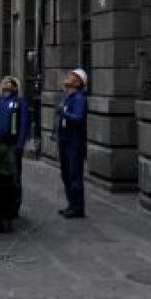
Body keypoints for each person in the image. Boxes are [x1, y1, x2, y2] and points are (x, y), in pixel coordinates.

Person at [0, 76, 29, 215]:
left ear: (15, 88)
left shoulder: (19, 103)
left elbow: (23, 125)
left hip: (12, 144)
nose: (6, 88)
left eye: (10, 86)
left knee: (14, 175)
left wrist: (20, 144)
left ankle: (13, 207)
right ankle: (0, 204)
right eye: (4, 86)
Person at [55, 68, 88, 219]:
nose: (68, 77)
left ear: (78, 81)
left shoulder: (79, 98)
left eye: (72, 76)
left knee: (75, 175)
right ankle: (71, 204)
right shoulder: (66, 96)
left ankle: (78, 208)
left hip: (74, 142)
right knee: (66, 174)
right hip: (64, 139)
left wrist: (64, 113)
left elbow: (78, 118)